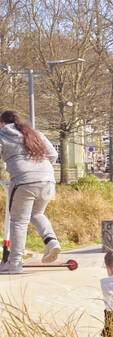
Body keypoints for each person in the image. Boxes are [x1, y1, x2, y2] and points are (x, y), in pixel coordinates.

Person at [0, 110, 61, 274]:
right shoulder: (35, 134)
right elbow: (53, 154)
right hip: (48, 179)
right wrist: (41, 168)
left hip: (23, 181)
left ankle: (15, 264)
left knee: (18, 221)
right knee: (37, 213)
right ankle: (52, 242)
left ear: (3, 123)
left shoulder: (3, 134)